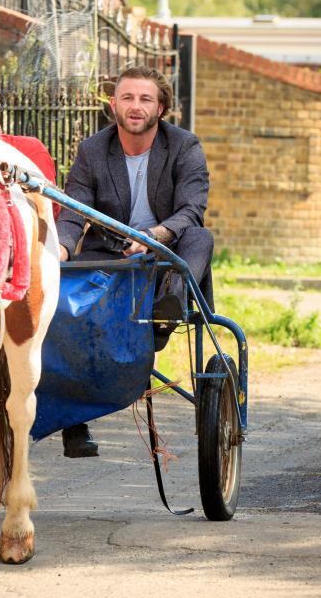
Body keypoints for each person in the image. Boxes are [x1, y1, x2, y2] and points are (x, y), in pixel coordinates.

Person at [55, 66, 214, 458]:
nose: (135, 106)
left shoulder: (184, 146)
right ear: (114, 105)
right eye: (127, 97)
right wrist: (58, 249)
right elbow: (74, 210)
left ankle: (166, 310)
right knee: (62, 309)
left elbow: (192, 208)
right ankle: (72, 423)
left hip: (166, 251)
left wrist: (154, 237)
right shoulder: (93, 149)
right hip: (110, 252)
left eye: (145, 99)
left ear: (161, 107)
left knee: (200, 237)